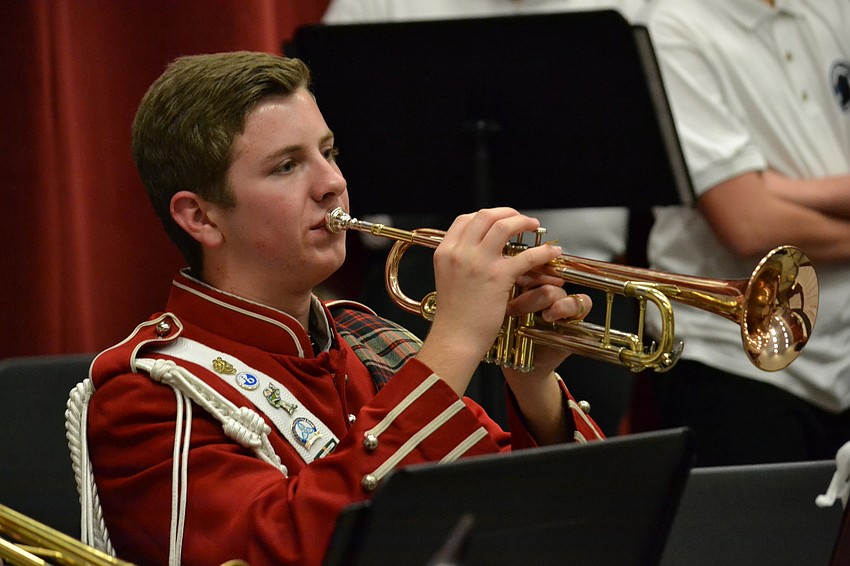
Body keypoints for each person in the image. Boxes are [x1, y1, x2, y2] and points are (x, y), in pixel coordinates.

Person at [69, 51, 604, 566]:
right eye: (286, 166)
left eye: (329, 152)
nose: (333, 184)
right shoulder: (147, 393)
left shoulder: (362, 332)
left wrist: (531, 384)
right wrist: (458, 340)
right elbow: (281, 552)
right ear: (201, 218)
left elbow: (534, 523)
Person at [636, 0, 850, 466]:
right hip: (733, 362)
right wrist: (752, 198)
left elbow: (749, 207)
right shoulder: (674, 22)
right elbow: (748, 225)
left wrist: (775, 188)